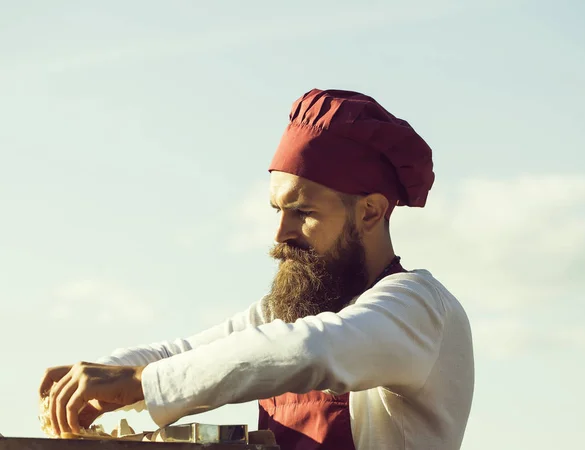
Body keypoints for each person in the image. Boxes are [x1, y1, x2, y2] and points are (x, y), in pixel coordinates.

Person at [40, 89, 474, 450]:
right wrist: (99, 374)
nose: (279, 233)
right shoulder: (287, 313)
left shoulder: (416, 308)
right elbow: (183, 355)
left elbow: (311, 352)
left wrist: (140, 383)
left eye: (302, 211)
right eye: (277, 210)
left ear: (370, 212)